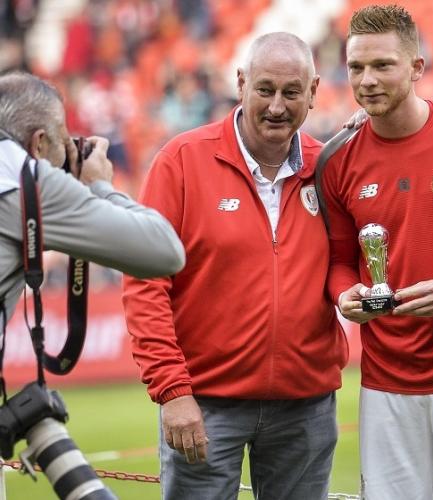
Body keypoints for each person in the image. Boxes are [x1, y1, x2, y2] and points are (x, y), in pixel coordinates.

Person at [122, 32, 348, 500]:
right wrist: (172, 390)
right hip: (204, 406)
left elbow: (348, 264)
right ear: (241, 83)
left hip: (306, 407)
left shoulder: (329, 167)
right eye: (265, 90)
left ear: (313, 91)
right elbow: (144, 283)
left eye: (291, 93)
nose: (277, 107)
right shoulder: (181, 162)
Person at [316, 5, 433, 500]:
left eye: (382, 65)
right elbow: (337, 259)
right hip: (385, 384)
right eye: (356, 67)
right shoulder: (337, 159)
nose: (367, 80)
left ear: (417, 68)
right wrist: (344, 295)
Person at [0, 71, 185, 334]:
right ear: (38, 144)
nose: (69, 154)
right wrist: (99, 185)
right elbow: (166, 252)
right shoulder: (25, 181)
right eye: (64, 143)